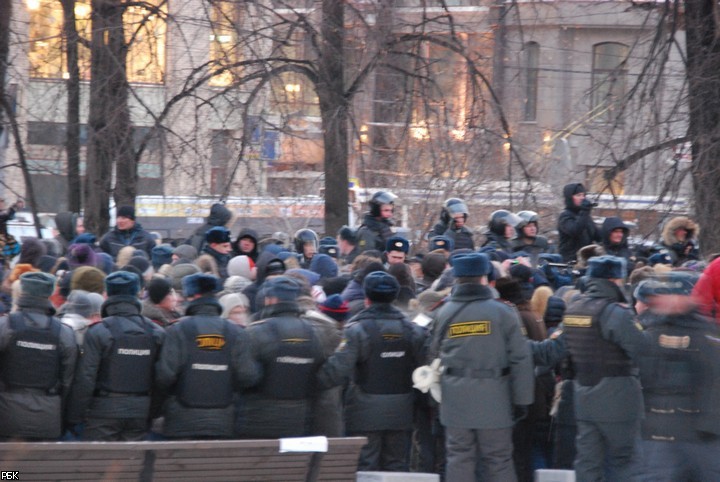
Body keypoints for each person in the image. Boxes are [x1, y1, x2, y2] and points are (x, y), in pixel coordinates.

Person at [428, 252, 534, 481]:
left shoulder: (443, 312)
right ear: (484, 278)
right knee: (498, 460)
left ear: (457, 278)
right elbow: (520, 358)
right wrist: (522, 399)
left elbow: (432, 354)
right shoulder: (503, 312)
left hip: (455, 399)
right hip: (495, 397)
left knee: (458, 458)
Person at [317, 271, 427, 471]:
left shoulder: (356, 330)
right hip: (402, 412)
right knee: (397, 468)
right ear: (394, 298)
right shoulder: (413, 331)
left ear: (366, 299)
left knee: (365, 468)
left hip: (363, 413)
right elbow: (424, 370)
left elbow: (334, 372)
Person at [561, 255, 645, 481]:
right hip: (618, 400)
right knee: (626, 462)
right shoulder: (615, 312)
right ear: (614, 279)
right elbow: (642, 350)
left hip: (584, 396)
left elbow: (563, 351)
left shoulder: (574, 309)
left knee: (588, 463)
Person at [636, 271, 720, 480]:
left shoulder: (704, 335)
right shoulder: (650, 332)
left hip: (698, 439)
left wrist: (708, 428)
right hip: (658, 436)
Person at [155, 273, 260, 439]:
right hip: (223, 421)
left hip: (181, 423)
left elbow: (164, 376)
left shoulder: (177, 330)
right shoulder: (236, 333)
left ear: (194, 296)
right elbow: (248, 376)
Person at [66, 271, 165, 441]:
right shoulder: (156, 332)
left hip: (103, 411)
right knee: (133, 464)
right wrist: (151, 411)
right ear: (137, 294)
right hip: (140, 411)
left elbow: (86, 378)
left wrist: (74, 417)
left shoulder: (98, 331)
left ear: (108, 295)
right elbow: (162, 377)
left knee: (100, 464)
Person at [240, 276, 327, 438]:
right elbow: (320, 373)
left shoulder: (255, 332)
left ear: (271, 300)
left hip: (257, 421)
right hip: (299, 420)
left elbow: (247, 377)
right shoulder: (314, 333)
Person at [0, 272, 77, 440]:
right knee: (40, 466)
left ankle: (10, 470)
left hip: (6, 416)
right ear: (49, 294)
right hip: (48, 416)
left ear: (22, 292)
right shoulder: (64, 332)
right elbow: (67, 380)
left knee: (7, 467)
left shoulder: (4, 326)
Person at [557, 183, 601, 263]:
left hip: (587, 261)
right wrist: (585, 211)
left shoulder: (586, 217)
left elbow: (597, 235)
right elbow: (575, 230)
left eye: (583, 195)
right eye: (578, 195)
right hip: (570, 262)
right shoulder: (565, 216)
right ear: (570, 197)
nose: (582, 198)